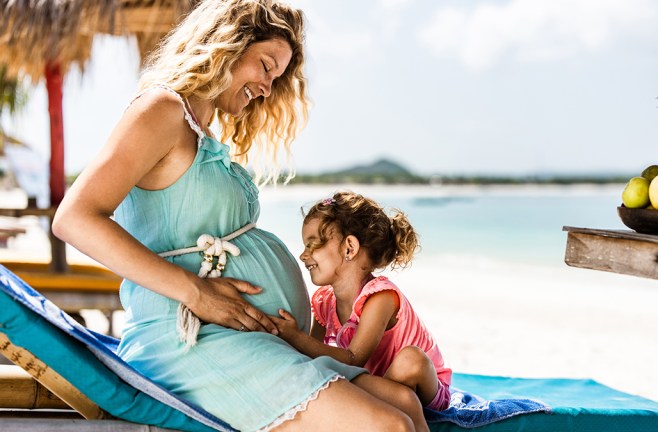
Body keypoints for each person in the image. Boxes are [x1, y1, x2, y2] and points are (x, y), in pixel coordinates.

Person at [51, 1, 428, 431]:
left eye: (277, 77)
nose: (268, 87)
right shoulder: (161, 110)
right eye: (266, 66)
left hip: (246, 338)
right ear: (227, 43)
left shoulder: (205, 132)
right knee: (388, 426)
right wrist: (195, 291)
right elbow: (74, 218)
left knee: (406, 405)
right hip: (186, 339)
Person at [270, 191, 452, 411]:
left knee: (411, 360)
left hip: (425, 386)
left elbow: (352, 359)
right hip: (377, 384)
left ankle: (394, 403)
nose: (303, 255)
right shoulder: (324, 303)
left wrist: (294, 335)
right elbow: (312, 352)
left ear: (349, 248)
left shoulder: (380, 297)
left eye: (312, 244)